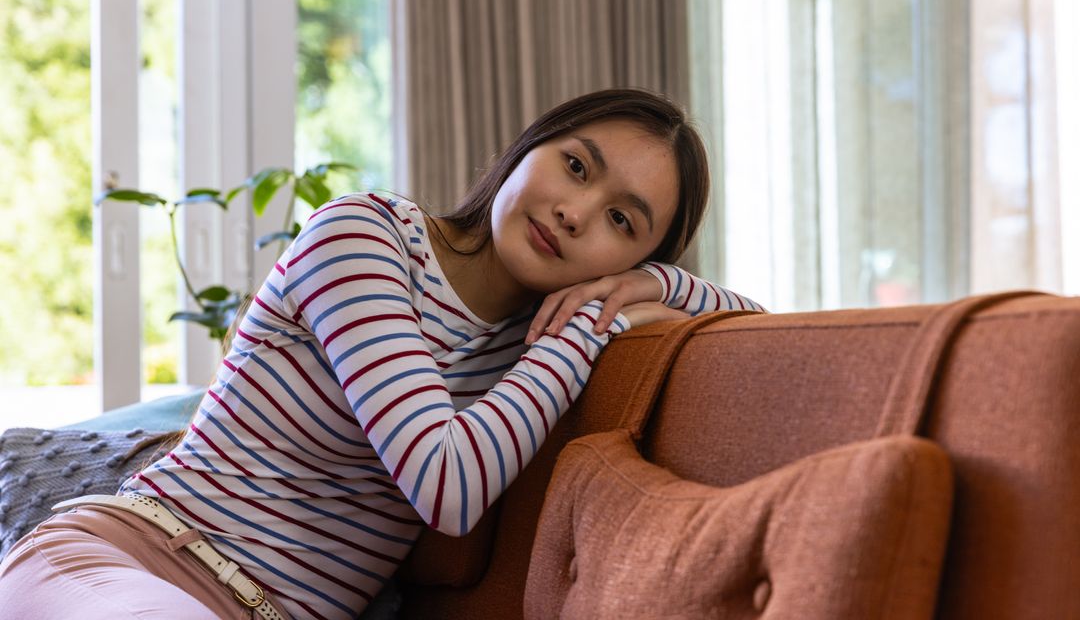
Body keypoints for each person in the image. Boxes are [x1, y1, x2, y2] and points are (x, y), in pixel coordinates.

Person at [0, 88, 763, 620]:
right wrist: (591, 324)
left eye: (622, 221)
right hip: (122, 563)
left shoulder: (524, 339)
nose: (575, 211)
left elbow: (757, 322)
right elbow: (445, 482)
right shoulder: (366, 238)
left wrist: (651, 285)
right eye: (576, 165)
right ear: (529, 147)